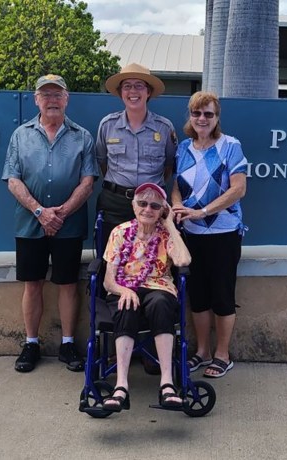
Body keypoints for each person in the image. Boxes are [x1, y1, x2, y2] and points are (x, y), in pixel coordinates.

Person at [2, 74, 99, 373]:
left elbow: (88, 182)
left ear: (67, 99)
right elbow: (12, 179)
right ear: (36, 100)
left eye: (58, 94)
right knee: (32, 283)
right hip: (29, 224)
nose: (52, 100)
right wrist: (39, 212)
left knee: (68, 283)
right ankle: (31, 343)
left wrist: (61, 214)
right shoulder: (20, 135)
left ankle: (68, 344)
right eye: (46, 95)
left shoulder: (82, 136)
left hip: (69, 225)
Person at [95, 62, 178, 375]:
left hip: (151, 206)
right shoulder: (107, 125)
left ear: (149, 93)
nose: (133, 91)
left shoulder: (164, 128)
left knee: (154, 269)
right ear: (120, 93)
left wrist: (147, 202)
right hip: (116, 202)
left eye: (139, 86)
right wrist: (126, 194)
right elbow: (103, 162)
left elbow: (168, 166)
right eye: (127, 86)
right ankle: (116, 348)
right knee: (113, 271)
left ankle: (150, 350)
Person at [171, 91, 248, 379]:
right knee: (199, 296)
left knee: (222, 295)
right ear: (190, 116)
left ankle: (222, 355)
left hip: (223, 233)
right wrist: (177, 206)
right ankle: (202, 352)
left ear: (217, 118)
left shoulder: (231, 146)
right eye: (197, 113)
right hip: (191, 235)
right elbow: (176, 185)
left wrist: (202, 212)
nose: (202, 119)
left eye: (208, 114)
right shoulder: (183, 148)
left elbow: (238, 189)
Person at [100, 183, 192, 412]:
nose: (148, 209)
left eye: (155, 206)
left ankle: (167, 384)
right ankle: (121, 386)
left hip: (159, 288)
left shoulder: (165, 234)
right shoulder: (120, 232)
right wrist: (124, 290)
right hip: (124, 289)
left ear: (162, 210)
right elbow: (108, 281)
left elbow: (183, 260)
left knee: (160, 303)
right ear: (134, 206)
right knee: (126, 305)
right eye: (142, 203)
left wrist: (170, 225)